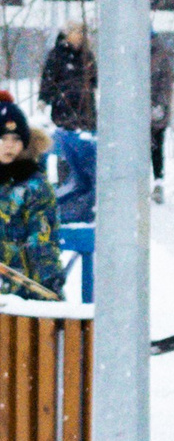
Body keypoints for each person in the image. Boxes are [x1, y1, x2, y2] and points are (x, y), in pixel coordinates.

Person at [0, 101, 65, 300]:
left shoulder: (34, 186)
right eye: (2, 138)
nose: (9, 145)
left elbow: (41, 241)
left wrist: (49, 283)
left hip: (23, 292)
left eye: (16, 139)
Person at [38, 20, 94, 134]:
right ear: (67, 34)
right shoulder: (57, 54)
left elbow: (94, 79)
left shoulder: (87, 55)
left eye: (82, 32)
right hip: (63, 108)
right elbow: (48, 79)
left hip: (86, 110)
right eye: (77, 32)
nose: (80, 36)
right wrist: (43, 99)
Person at [148, 34, 174, 200]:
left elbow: (165, 84)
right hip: (145, 112)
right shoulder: (157, 56)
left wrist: (158, 106)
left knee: (156, 148)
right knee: (153, 148)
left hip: (155, 113)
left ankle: (158, 182)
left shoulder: (159, 57)